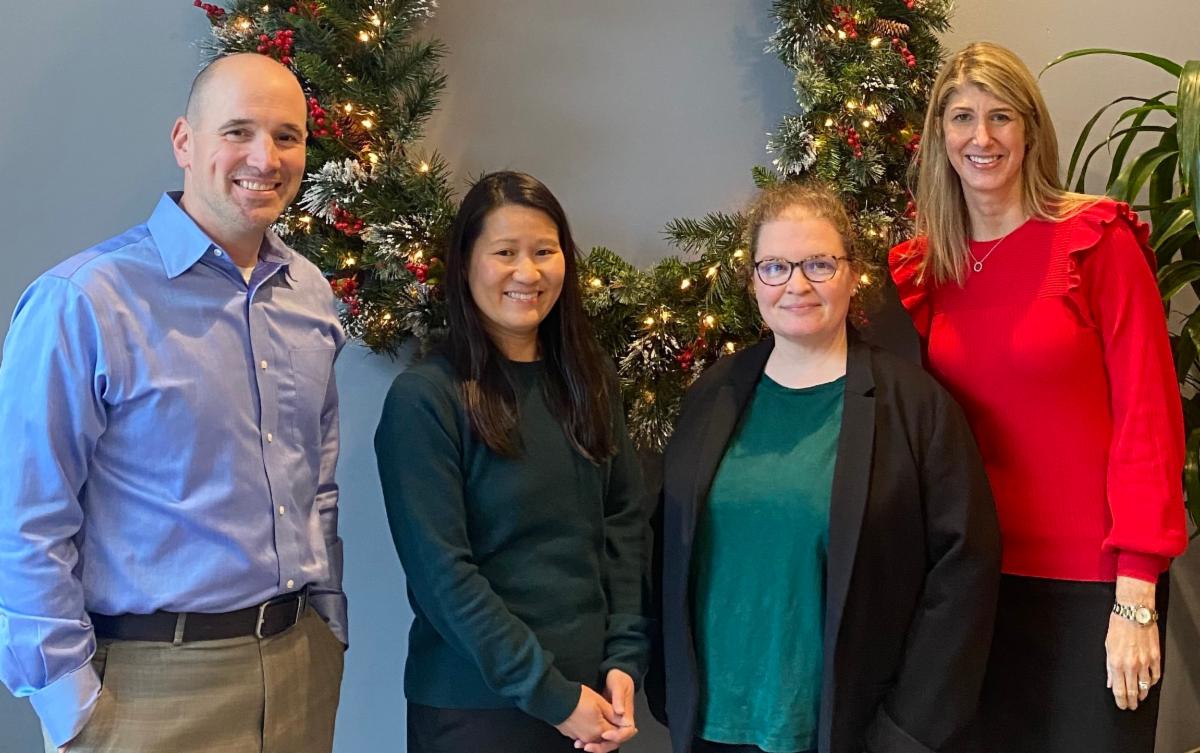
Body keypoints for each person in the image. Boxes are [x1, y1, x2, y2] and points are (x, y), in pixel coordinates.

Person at [0, 53, 346, 753]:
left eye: (286, 136)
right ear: (184, 141)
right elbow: (24, 516)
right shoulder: (84, 300)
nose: (265, 158)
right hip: (148, 689)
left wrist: (327, 623)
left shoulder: (309, 292)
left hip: (298, 668)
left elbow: (317, 478)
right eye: (238, 131)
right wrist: (68, 701)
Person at [889, 41, 1188, 753]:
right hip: (974, 586)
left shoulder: (1095, 241)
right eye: (962, 117)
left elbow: (1149, 417)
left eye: (1001, 116)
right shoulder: (924, 269)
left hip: (1096, 583)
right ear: (940, 135)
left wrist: (1136, 592)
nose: (982, 137)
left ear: (1030, 129)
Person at [649, 181, 1001, 753]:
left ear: (852, 273)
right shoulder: (713, 396)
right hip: (712, 724)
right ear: (753, 281)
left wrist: (908, 730)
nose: (797, 285)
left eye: (819, 264)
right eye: (775, 267)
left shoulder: (915, 406)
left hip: (848, 731)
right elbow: (666, 549)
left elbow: (964, 573)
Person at [375, 171, 650, 753]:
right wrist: (551, 696)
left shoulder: (589, 381)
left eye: (544, 252)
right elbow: (444, 576)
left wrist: (624, 657)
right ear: (464, 264)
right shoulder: (425, 399)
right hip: (475, 710)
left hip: (594, 701)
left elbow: (623, 524)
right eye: (505, 253)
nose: (528, 273)